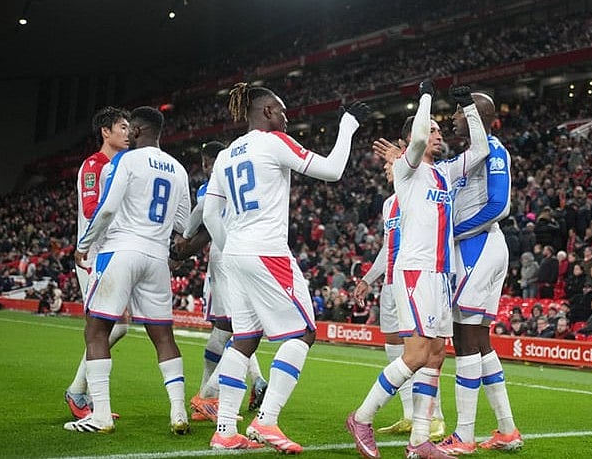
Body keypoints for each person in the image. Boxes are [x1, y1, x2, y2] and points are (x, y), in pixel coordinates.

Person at [202, 83, 370, 451]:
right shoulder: (273, 141)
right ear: (265, 112)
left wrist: (232, 248)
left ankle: (226, 430)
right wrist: (348, 125)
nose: (286, 117)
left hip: (235, 254)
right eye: (281, 111)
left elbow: (212, 212)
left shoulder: (226, 155)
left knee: (244, 339)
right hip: (267, 251)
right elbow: (332, 170)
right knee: (303, 332)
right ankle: (266, 422)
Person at [346, 82, 487, 459]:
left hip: (441, 276)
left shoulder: (444, 175)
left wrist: (467, 107)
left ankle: (419, 441)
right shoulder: (407, 172)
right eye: (433, 131)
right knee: (415, 355)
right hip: (416, 271)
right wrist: (425, 96)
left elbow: (482, 149)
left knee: (437, 354)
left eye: (442, 131)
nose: (439, 135)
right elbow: (420, 137)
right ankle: (362, 418)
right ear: (411, 141)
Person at [66, 106, 191, 435]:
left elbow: (105, 209)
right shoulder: (178, 169)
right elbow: (184, 223)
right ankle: (179, 411)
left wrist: (83, 244)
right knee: (163, 336)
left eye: (127, 127)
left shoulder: (126, 161)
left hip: (119, 251)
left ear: (136, 131)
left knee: (96, 330)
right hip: (157, 256)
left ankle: (100, 413)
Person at [434, 90, 522, 454]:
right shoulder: (467, 158)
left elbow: (499, 205)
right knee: (481, 343)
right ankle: (507, 430)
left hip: (479, 246)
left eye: (459, 112)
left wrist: (455, 232)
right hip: (477, 248)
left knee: (465, 340)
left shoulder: (495, 151)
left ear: (475, 115)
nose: (452, 118)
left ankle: (464, 436)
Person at [174, 141, 268, 422]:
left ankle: (208, 394)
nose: (207, 168)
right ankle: (231, 389)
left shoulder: (213, 185)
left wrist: (185, 238)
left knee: (230, 328)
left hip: (225, 255)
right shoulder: (247, 180)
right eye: (204, 163)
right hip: (245, 252)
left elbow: (202, 211)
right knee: (239, 327)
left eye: (209, 162)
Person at [353, 159, 446, 439]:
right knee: (395, 348)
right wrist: (368, 279)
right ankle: (408, 415)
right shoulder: (388, 204)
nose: (385, 170)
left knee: (423, 351)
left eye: (389, 164)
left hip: (415, 278)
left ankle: (435, 417)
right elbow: (387, 246)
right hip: (392, 283)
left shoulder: (417, 194)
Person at [65, 107, 131, 420]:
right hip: (92, 256)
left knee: (117, 326)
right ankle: (80, 392)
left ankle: (85, 392)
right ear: (106, 132)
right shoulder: (94, 165)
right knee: (111, 326)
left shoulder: (124, 165)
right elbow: (92, 210)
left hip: (114, 254)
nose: (127, 132)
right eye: (122, 126)